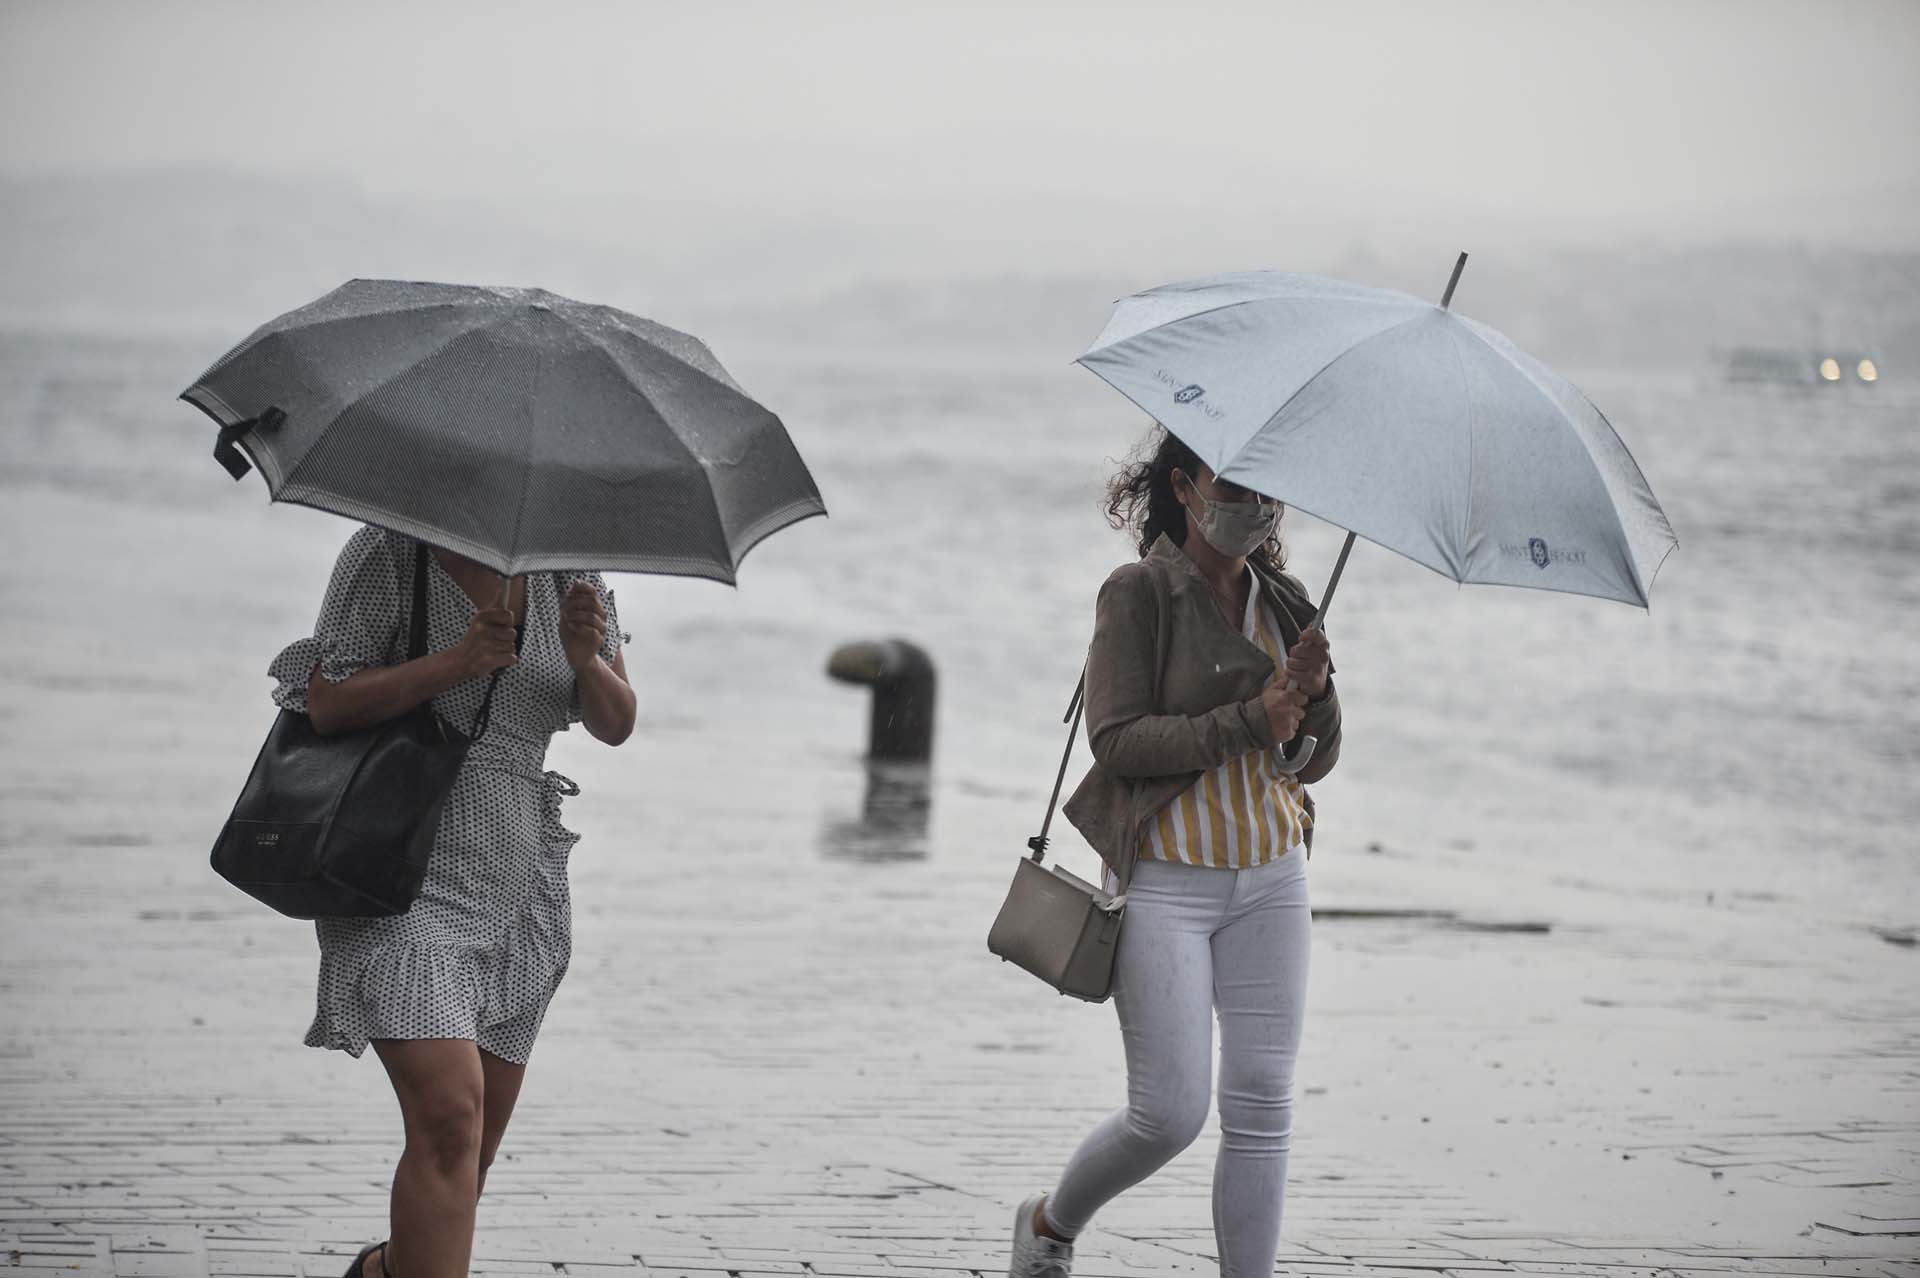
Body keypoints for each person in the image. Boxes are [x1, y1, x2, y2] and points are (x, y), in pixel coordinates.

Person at [1008, 427, 1342, 1278]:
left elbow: (1316, 759)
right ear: (1185, 489)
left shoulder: (1289, 601)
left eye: (1266, 487)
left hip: (1272, 873)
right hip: (1165, 880)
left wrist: (1316, 695)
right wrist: (1251, 718)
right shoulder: (1139, 593)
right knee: (1169, 1113)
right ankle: (1050, 1224)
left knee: (1263, 1103)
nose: (1253, 505)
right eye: (1231, 484)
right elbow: (1117, 742)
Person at [266, 525, 636, 1278]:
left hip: (518, 887)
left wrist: (586, 660)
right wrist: (457, 663)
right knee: (449, 1119)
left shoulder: (573, 573)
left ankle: (380, 1272)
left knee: (467, 1156)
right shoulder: (388, 552)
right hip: (397, 872)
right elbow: (328, 703)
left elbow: (617, 721)